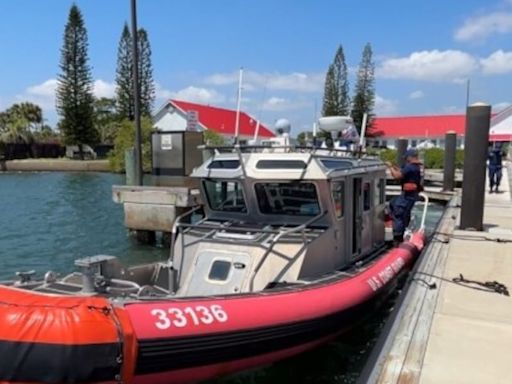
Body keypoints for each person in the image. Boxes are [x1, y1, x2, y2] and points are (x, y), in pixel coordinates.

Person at [385, 149, 423, 246]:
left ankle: (397, 238)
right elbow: (402, 171)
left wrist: (390, 167)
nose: (406, 160)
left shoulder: (410, 167)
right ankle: (397, 228)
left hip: (408, 195)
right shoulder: (415, 167)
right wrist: (393, 166)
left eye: (406, 158)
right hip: (410, 195)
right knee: (393, 203)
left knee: (399, 213)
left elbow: (397, 176)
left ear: (410, 157)